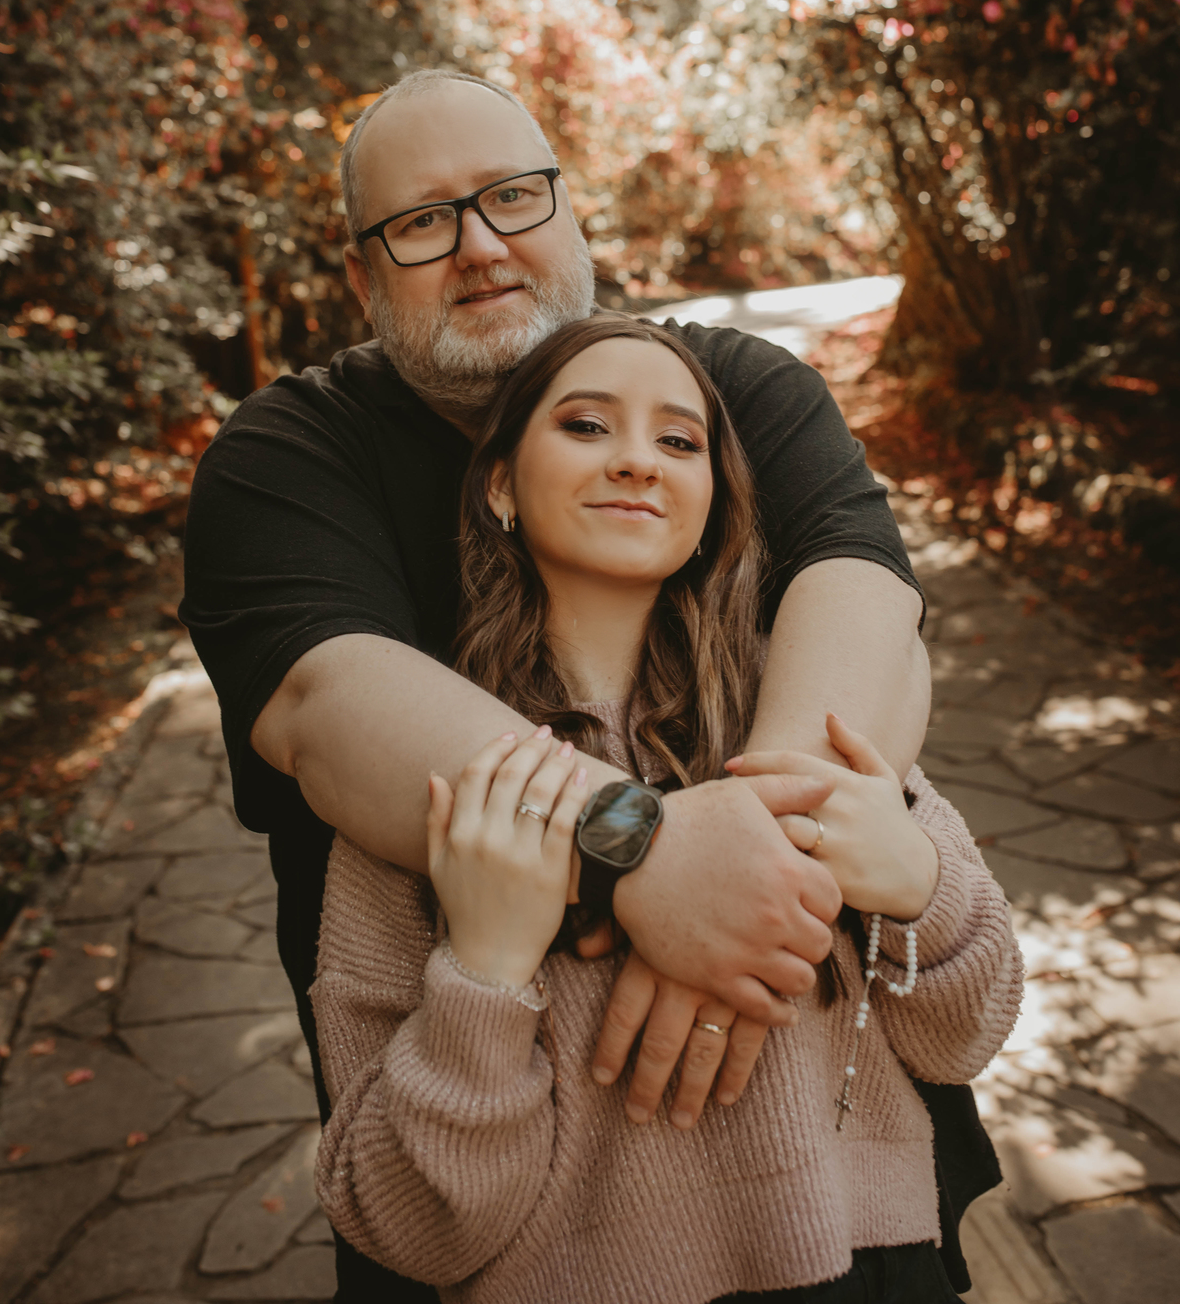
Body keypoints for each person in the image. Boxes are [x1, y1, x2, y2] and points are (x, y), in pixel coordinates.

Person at [180, 69, 987, 1302]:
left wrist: (743, 874)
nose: (481, 246)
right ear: (360, 272)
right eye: (422, 221)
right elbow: (326, 704)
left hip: (835, 1196)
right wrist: (645, 851)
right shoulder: (289, 454)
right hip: (501, 1195)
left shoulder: (736, 388)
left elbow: (867, 603)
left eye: (513, 196)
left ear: (569, 209)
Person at [312, 315, 1023, 1303]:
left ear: (713, 504)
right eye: (587, 426)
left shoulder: (808, 711)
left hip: (872, 1269)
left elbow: (966, 1035)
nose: (638, 461)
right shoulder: (423, 760)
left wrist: (920, 886)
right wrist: (486, 972)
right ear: (500, 484)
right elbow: (408, 1226)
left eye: (680, 441)